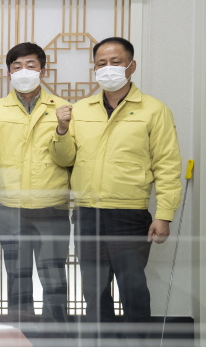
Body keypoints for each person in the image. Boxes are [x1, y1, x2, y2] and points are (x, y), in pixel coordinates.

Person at [49, 37, 182, 332]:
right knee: (93, 290)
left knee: (133, 289)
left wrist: (164, 214)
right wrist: (61, 129)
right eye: (101, 63)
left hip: (129, 213)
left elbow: (167, 165)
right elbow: (64, 158)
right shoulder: (80, 109)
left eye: (115, 62)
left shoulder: (154, 110)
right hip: (87, 213)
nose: (107, 68)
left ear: (131, 66)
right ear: (94, 68)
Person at [0, 43, 70, 322]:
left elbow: (68, 156)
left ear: (43, 70)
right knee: (16, 275)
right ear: (9, 73)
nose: (24, 71)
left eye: (31, 65)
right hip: (11, 206)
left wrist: (63, 128)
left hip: (53, 206)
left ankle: (56, 332)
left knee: (54, 276)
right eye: (17, 66)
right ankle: (20, 331)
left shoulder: (62, 108)